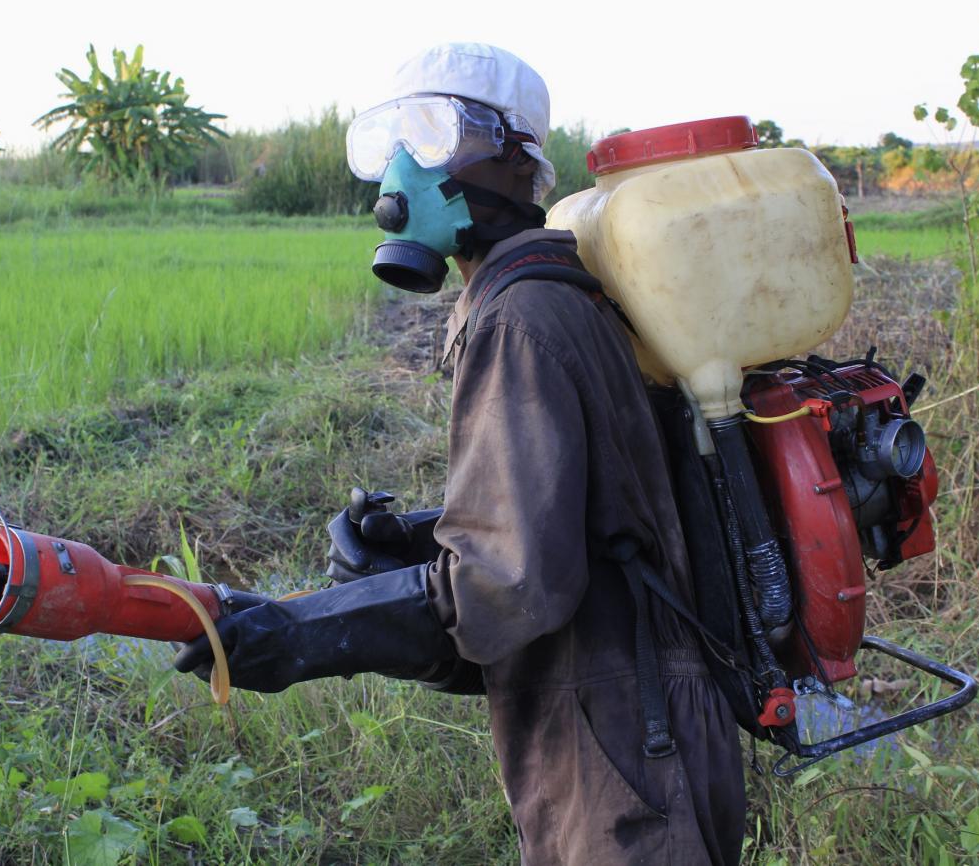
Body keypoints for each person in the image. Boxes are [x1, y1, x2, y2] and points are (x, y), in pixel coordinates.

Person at [174, 43, 745, 865]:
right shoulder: (551, 299)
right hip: (626, 731)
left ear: (520, 163)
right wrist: (416, 542)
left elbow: (507, 583)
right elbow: (578, 518)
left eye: (435, 134)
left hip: (628, 753)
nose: (403, 168)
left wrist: (300, 633)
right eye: (391, 140)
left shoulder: (522, 321)